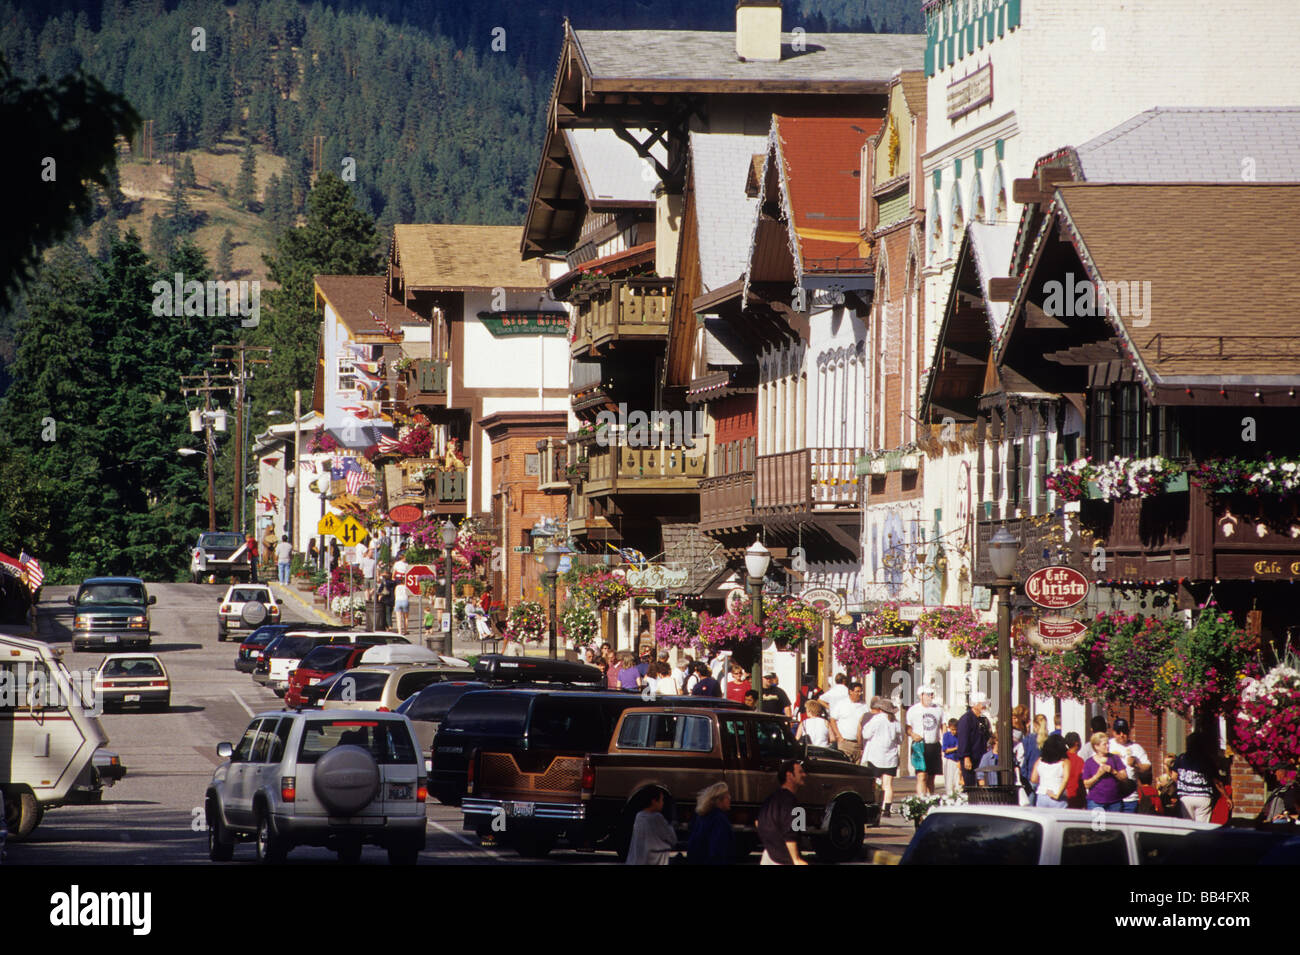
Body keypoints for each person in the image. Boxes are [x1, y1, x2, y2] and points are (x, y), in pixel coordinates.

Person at [756, 760, 808, 865]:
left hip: (769, 856)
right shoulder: (791, 802)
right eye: (800, 772)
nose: (804, 775)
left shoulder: (770, 799)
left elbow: (758, 822)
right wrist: (796, 859)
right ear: (789, 775)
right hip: (785, 860)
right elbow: (792, 833)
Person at [1173, 731, 1229, 823]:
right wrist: (1226, 796)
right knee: (1202, 828)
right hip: (1203, 797)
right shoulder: (1207, 760)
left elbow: (1174, 776)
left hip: (1186, 797)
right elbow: (1217, 782)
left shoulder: (1181, 758)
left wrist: (1183, 785)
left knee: (1187, 826)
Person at [861, 696, 901, 811]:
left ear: (881, 709)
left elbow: (866, 734)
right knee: (888, 784)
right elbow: (901, 739)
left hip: (875, 756)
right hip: (891, 757)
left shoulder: (876, 719)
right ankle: (887, 808)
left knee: (876, 783)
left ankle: (876, 806)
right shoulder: (896, 722)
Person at [907, 686, 945, 797]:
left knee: (931, 777)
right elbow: (907, 727)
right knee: (922, 775)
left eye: (932, 694)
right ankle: (921, 800)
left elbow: (943, 725)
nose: (930, 696)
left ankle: (930, 800)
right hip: (919, 745)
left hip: (934, 745)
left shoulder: (938, 709)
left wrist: (945, 741)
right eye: (928, 694)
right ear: (921, 696)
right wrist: (912, 734)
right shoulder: (913, 710)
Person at [1108, 718, 1150, 813]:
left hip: (1130, 799)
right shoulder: (1107, 745)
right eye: (1118, 732)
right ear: (1113, 732)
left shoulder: (1136, 748)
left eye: (1125, 731)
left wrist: (1136, 764)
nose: (1122, 735)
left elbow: (1147, 767)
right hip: (1111, 797)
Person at [625, 788, 677, 865]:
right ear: (654, 801)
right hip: (655, 860)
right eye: (661, 800)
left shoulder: (639, 816)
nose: (662, 803)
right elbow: (672, 839)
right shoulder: (656, 817)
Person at [687, 782, 733, 865]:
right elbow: (717, 850)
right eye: (727, 796)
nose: (730, 798)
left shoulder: (701, 816)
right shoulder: (719, 819)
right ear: (719, 800)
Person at [1082, 731, 1128, 812]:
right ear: (1096, 746)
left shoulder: (1115, 758)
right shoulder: (1089, 762)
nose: (1108, 746)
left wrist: (1113, 771)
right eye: (1104, 744)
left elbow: (1124, 777)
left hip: (1115, 802)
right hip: (1095, 803)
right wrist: (1098, 775)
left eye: (1108, 744)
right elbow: (1086, 785)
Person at [956, 692, 991, 788]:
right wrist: (966, 757)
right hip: (971, 758)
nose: (984, 706)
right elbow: (963, 739)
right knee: (971, 785)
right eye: (982, 704)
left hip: (981, 757)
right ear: (975, 704)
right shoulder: (966, 719)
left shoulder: (983, 719)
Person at [833, 683, 871, 763]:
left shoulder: (864, 706)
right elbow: (832, 720)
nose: (860, 693)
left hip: (859, 744)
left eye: (861, 691)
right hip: (845, 743)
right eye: (857, 691)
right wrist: (839, 737)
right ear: (850, 691)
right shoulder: (841, 704)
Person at [1031, 734, 1070, 808]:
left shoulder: (1040, 760)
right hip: (1058, 795)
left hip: (1042, 794)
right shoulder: (1065, 761)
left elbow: (1033, 779)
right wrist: (1057, 795)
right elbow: (1065, 779)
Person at [1064, 732, 1087, 809]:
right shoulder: (1079, 761)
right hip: (1075, 797)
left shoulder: (1062, 758)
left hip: (1063, 795)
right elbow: (1081, 781)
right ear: (1077, 743)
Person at [942, 718, 962, 795]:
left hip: (958, 760)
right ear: (949, 727)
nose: (954, 731)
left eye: (956, 730)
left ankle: (958, 795)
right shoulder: (946, 735)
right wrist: (956, 748)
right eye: (952, 729)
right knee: (949, 780)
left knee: (957, 780)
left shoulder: (959, 735)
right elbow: (945, 750)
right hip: (950, 759)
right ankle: (949, 795)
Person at [391, 553, 410, 634]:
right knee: (406, 617)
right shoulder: (406, 565)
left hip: (398, 601)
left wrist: (393, 578)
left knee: (398, 618)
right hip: (405, 600)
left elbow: (394, 572)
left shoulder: (397, 587)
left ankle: (399, 631)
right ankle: (405, 630)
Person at [375, 566, 395, 631]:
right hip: (392, 599)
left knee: (386, 613)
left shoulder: (385, 582)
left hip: (385, 599)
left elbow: (380, 590)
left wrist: (379, 595)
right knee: (389, 613)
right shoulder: (393, 582)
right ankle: (389, 625)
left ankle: (388, 626)